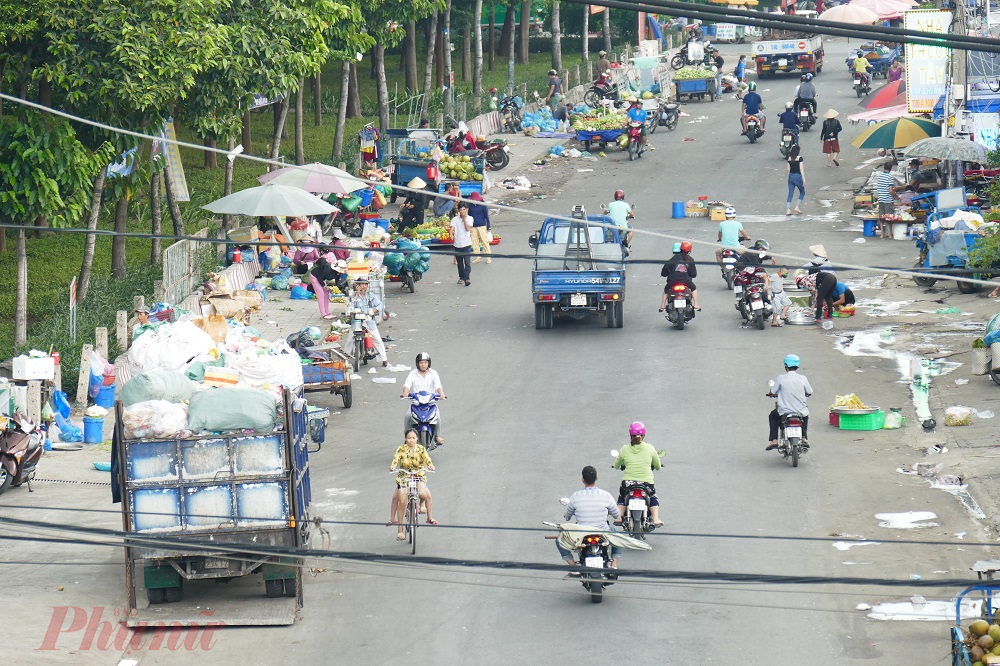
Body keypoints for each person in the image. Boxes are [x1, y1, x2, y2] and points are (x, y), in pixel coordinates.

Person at [558, 466, 622, 571]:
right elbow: (616, 514)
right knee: (618, 537)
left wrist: (569, 515)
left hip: (581, 533)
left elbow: (568, 517)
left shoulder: (575, 496)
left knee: (559, 540)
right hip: (603, 531)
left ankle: (573, 566)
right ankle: (614, 564)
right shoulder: (606, 495)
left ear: (583, 480)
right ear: (596, 478)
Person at [613, 422, 664, 528]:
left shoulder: (624, 449)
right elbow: (658, 466)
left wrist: (618, 465)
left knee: (622, 497)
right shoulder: (650, 448)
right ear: (643, 435)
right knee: (653, 497)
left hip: (628, 483)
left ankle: (619, 517)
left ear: (630, 434)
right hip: (646, 483)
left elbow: (617, 465)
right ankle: (655, 519)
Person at [389, 429, 437, 539]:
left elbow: (427, 459)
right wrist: (393, 466)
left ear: (417, 439)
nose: (411, 440)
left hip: (418, 474)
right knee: (402, 502)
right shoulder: (401, 449)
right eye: (409, 438)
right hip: (404, 476)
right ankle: (400, 530)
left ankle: (422, 506)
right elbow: (396, 459)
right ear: (406, 439)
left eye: (413, 438)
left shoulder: (421, 449)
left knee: (424, 494)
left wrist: (431, 465)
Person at [765, 354, 812, 451]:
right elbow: (810, 391)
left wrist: (770, 393)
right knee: (805, 416)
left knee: (773, 416)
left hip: (784, 411)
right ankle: (803, 437)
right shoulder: (803, 378)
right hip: (800, 410)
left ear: (786, 365)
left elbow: (773, 392)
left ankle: (774, 440)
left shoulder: (780, 378)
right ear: (797, 366)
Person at [402, 352, 446, 447]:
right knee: (407, 417)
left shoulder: (433, 373)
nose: (423, 364)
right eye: (421, 362)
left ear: (428, 363)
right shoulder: (413, 373)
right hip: (417, 403)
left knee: (437, 417)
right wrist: (405, 392)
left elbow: (438, 385)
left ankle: (437, 436)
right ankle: (407, 438)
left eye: (425, 362)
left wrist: (441, 393)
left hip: (430, 403)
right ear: (417, 363)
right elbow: (407, 384)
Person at [342, 277, 389, 365]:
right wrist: (356, 294)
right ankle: (345, 360)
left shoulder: (370, 295)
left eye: (365, 284)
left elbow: (380, 304)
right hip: (357, 321)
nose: (363, 286)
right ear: (357, 286)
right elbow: (349, 305)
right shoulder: (353, 296)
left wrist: (374, 310)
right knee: (349, 340)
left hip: (369, 320)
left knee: (377, 339)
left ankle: (384, 359)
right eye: (361, 284)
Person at [659, 241, 701, 311]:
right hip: (686, 282)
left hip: (672, 281)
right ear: (690, 250)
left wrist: (664, 274)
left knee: (666, 289)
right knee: (693, 288)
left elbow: (665, 270)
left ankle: (662, 305)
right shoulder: (690, 259)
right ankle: (696, 304)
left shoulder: (673, 259)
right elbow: (693, 274)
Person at [451, 202, 474, 286]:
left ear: (467, 210)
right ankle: (461, 277)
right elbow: (452, 228)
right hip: (457, 244)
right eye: (460, 210)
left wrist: (464, 219)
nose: (462, 211)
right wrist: (450, 233)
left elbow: (468, 228)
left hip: (466, 243)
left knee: (467, 263)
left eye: (464, 209)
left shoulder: (470, 218)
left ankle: (467, 278)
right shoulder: (455, 219)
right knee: (460, 263)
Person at [467, 191, 492, 264]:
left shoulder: (483, 205)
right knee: (475, 243)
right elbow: (469, 216)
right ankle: (478, 257)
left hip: (482, 226)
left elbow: (487, 217)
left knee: (485, 242)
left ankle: (488, 257)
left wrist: (488, 227)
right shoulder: (470, 205)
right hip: (473, 227)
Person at [786, 144, 806, 216]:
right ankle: (797, 207)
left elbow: (788, 169)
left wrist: (789, 177)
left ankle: (788, 210)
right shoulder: (800, 158)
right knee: (802, 192)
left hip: (791, 176)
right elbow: (801, 169)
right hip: (797, 176)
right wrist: (803, 179)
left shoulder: (789, 158)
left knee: (790, 193)